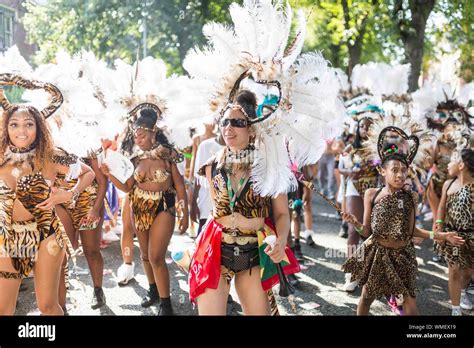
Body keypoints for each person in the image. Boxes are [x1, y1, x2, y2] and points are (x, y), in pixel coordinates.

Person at [341, 123, 464, 315]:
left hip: (403, 256)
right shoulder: (371, 194)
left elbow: (413, 230)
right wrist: (355, 223)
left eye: (403, 170)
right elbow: (367, 232)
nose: (400, 175)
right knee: (366, 299)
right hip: (378, 255)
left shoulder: (410, 197)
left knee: (410, 305)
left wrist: (442, 236)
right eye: (395, 170)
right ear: (383, 171)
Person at [0, 74, 95, 315]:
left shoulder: (51, 156)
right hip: (8, 238)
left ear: (38, 127)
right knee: (3, 308)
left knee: (48, 306)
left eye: (28, 124)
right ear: (6, 127)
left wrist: (69, 194)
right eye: (15, 124)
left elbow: (89, 174)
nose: (22, 130)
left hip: (46, 235)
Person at [101, 105, 188, 315]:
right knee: (146, 256)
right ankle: (153, 291)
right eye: (135, 135)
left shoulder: (168, 156)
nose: (137, 139)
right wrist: (109, 175)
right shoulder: (136, 158)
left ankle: (166, 304)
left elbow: (179, 185)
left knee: (156, 256)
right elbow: (128, 187)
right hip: (138, 207)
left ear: (153, 132)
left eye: (141, 135)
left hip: (163, 207)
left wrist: (184, 211)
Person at [55, 148, 108, 310]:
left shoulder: (90, 146)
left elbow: (101, 181)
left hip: (88, 203)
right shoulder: (49, 144)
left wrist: (95, 209)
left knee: (91, 251)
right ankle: (60, 304)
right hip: (62, 202)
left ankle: (98, 290)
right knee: (62, 253)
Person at [338, 112, 380, 291]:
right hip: (354, 187)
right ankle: (351, 272)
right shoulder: (350, 147)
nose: (365, 130)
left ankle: (366, 268)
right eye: (362, 126)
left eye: (369, 127)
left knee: (368, 231)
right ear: (357, 128)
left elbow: (387, 168)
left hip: (373, 191)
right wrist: (349, 173)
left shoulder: (379, 147)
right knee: (353, 229)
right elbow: (340, 168)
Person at [435, 134, 474, 315]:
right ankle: (455, 308)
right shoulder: (448, 184)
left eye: (452, 161)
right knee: (454, 270)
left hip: (472, 237)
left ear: (462, 165)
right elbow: (441, 208)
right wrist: (440, 226)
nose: (448, 164)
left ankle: (465, 289)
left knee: (468, 272)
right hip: (453, 237)